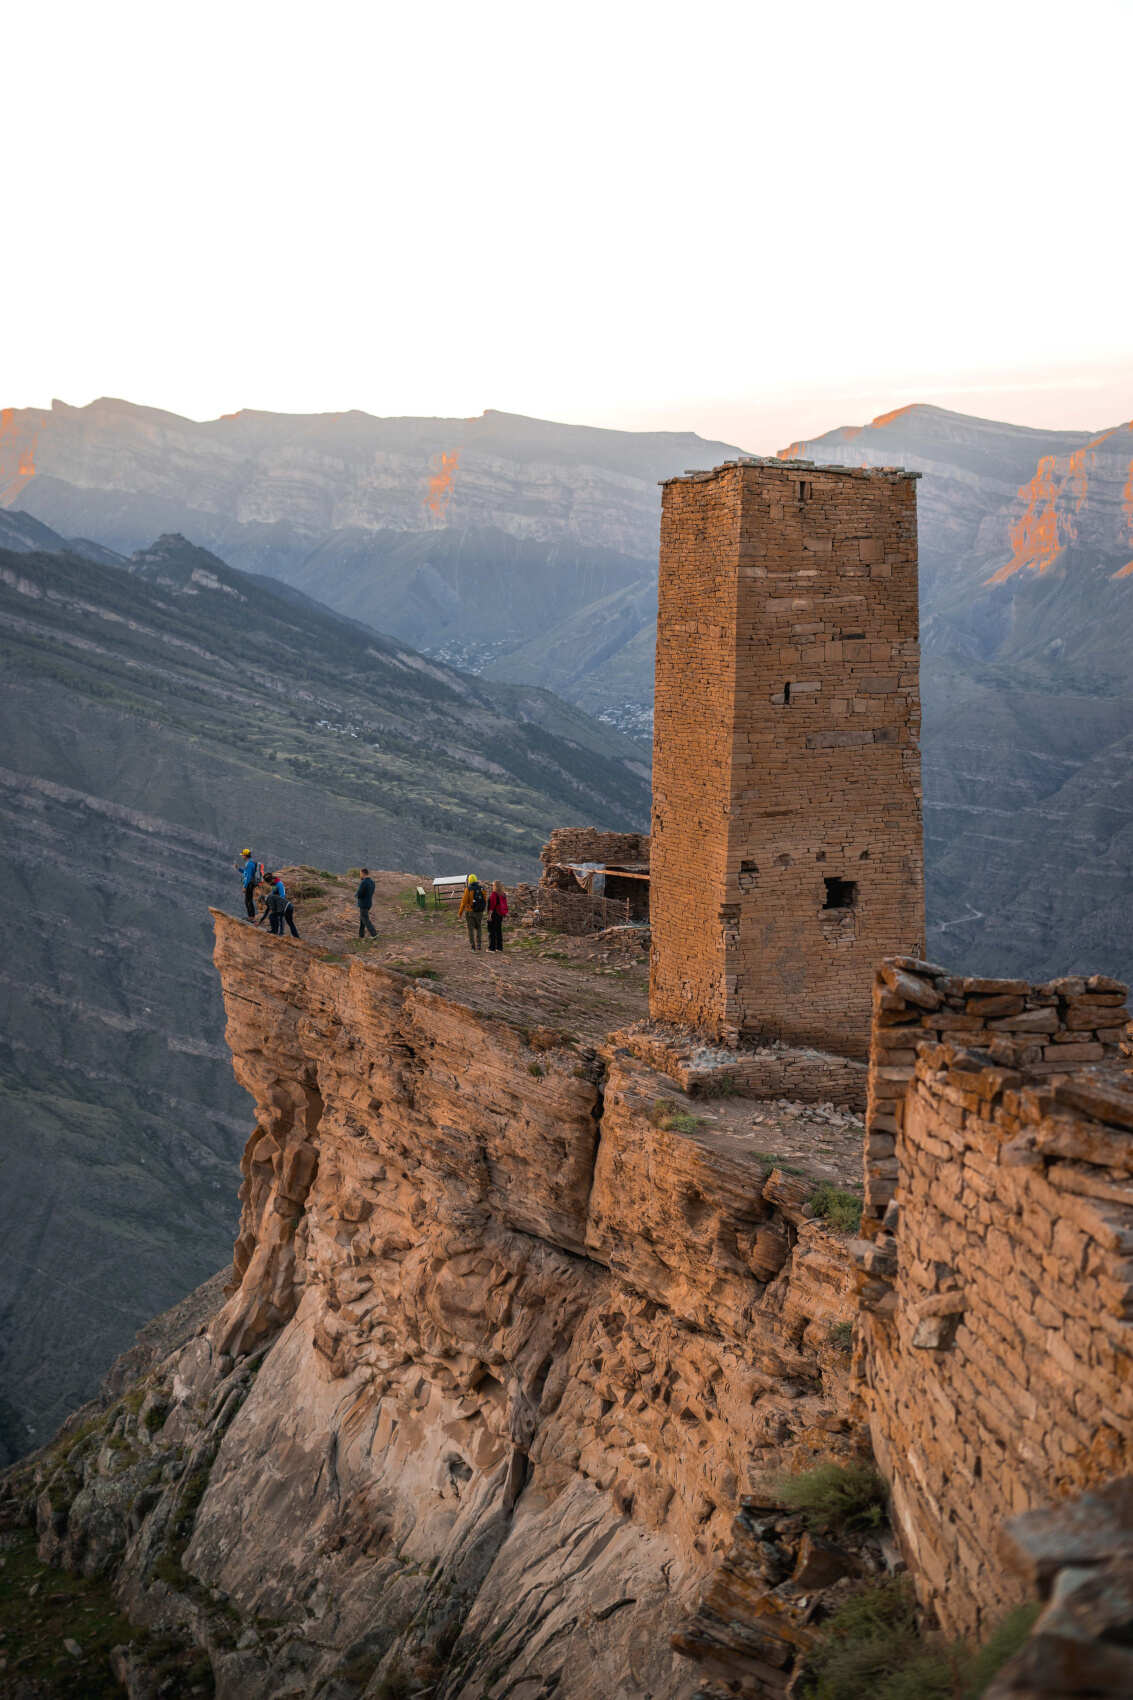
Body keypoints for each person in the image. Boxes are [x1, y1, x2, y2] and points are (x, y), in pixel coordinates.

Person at [458, 874, 485, 951]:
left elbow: (464, 902)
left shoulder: (468, 889)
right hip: (479, 912)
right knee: (479, 927)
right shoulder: (482, 888)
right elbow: (484, 900)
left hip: (470, 912)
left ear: (469, 880)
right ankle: (479, 944)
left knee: (471, 929)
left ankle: (473, 946)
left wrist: (460, 913)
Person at [238, 848, 259, 920]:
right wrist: (239, 869)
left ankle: (251, 917)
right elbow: (246, 872)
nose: (242, 856)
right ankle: (251, 916)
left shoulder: (249, 864)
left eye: (243, 855)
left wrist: (245, 886)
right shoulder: (250, 862)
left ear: (246, 855)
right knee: (248, 900)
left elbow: (248, 876)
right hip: (251, 883)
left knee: (248, 900)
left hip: (249, 884)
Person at [487, 880, 508, 952]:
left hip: (494, 914)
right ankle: (499, 947)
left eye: (493, 885)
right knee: (498, 931)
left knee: (492, 931)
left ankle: (491, 948)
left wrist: (489, 915)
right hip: (500, 915)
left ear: (495, 886)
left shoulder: (494, 894)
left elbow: (492, 906)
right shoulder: (503, 894)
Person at [356, 868, 377, 938]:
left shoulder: (364, 882)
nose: (360, 875)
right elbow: (372, 892)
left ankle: (374, 934)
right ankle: (361, 935)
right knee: (363, 919)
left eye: (360, 874)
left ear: (363, 873)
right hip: (369, 903)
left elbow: (360, 893)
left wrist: (357, 895)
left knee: (365, 919)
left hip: (363, 904)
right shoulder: (372, 882)